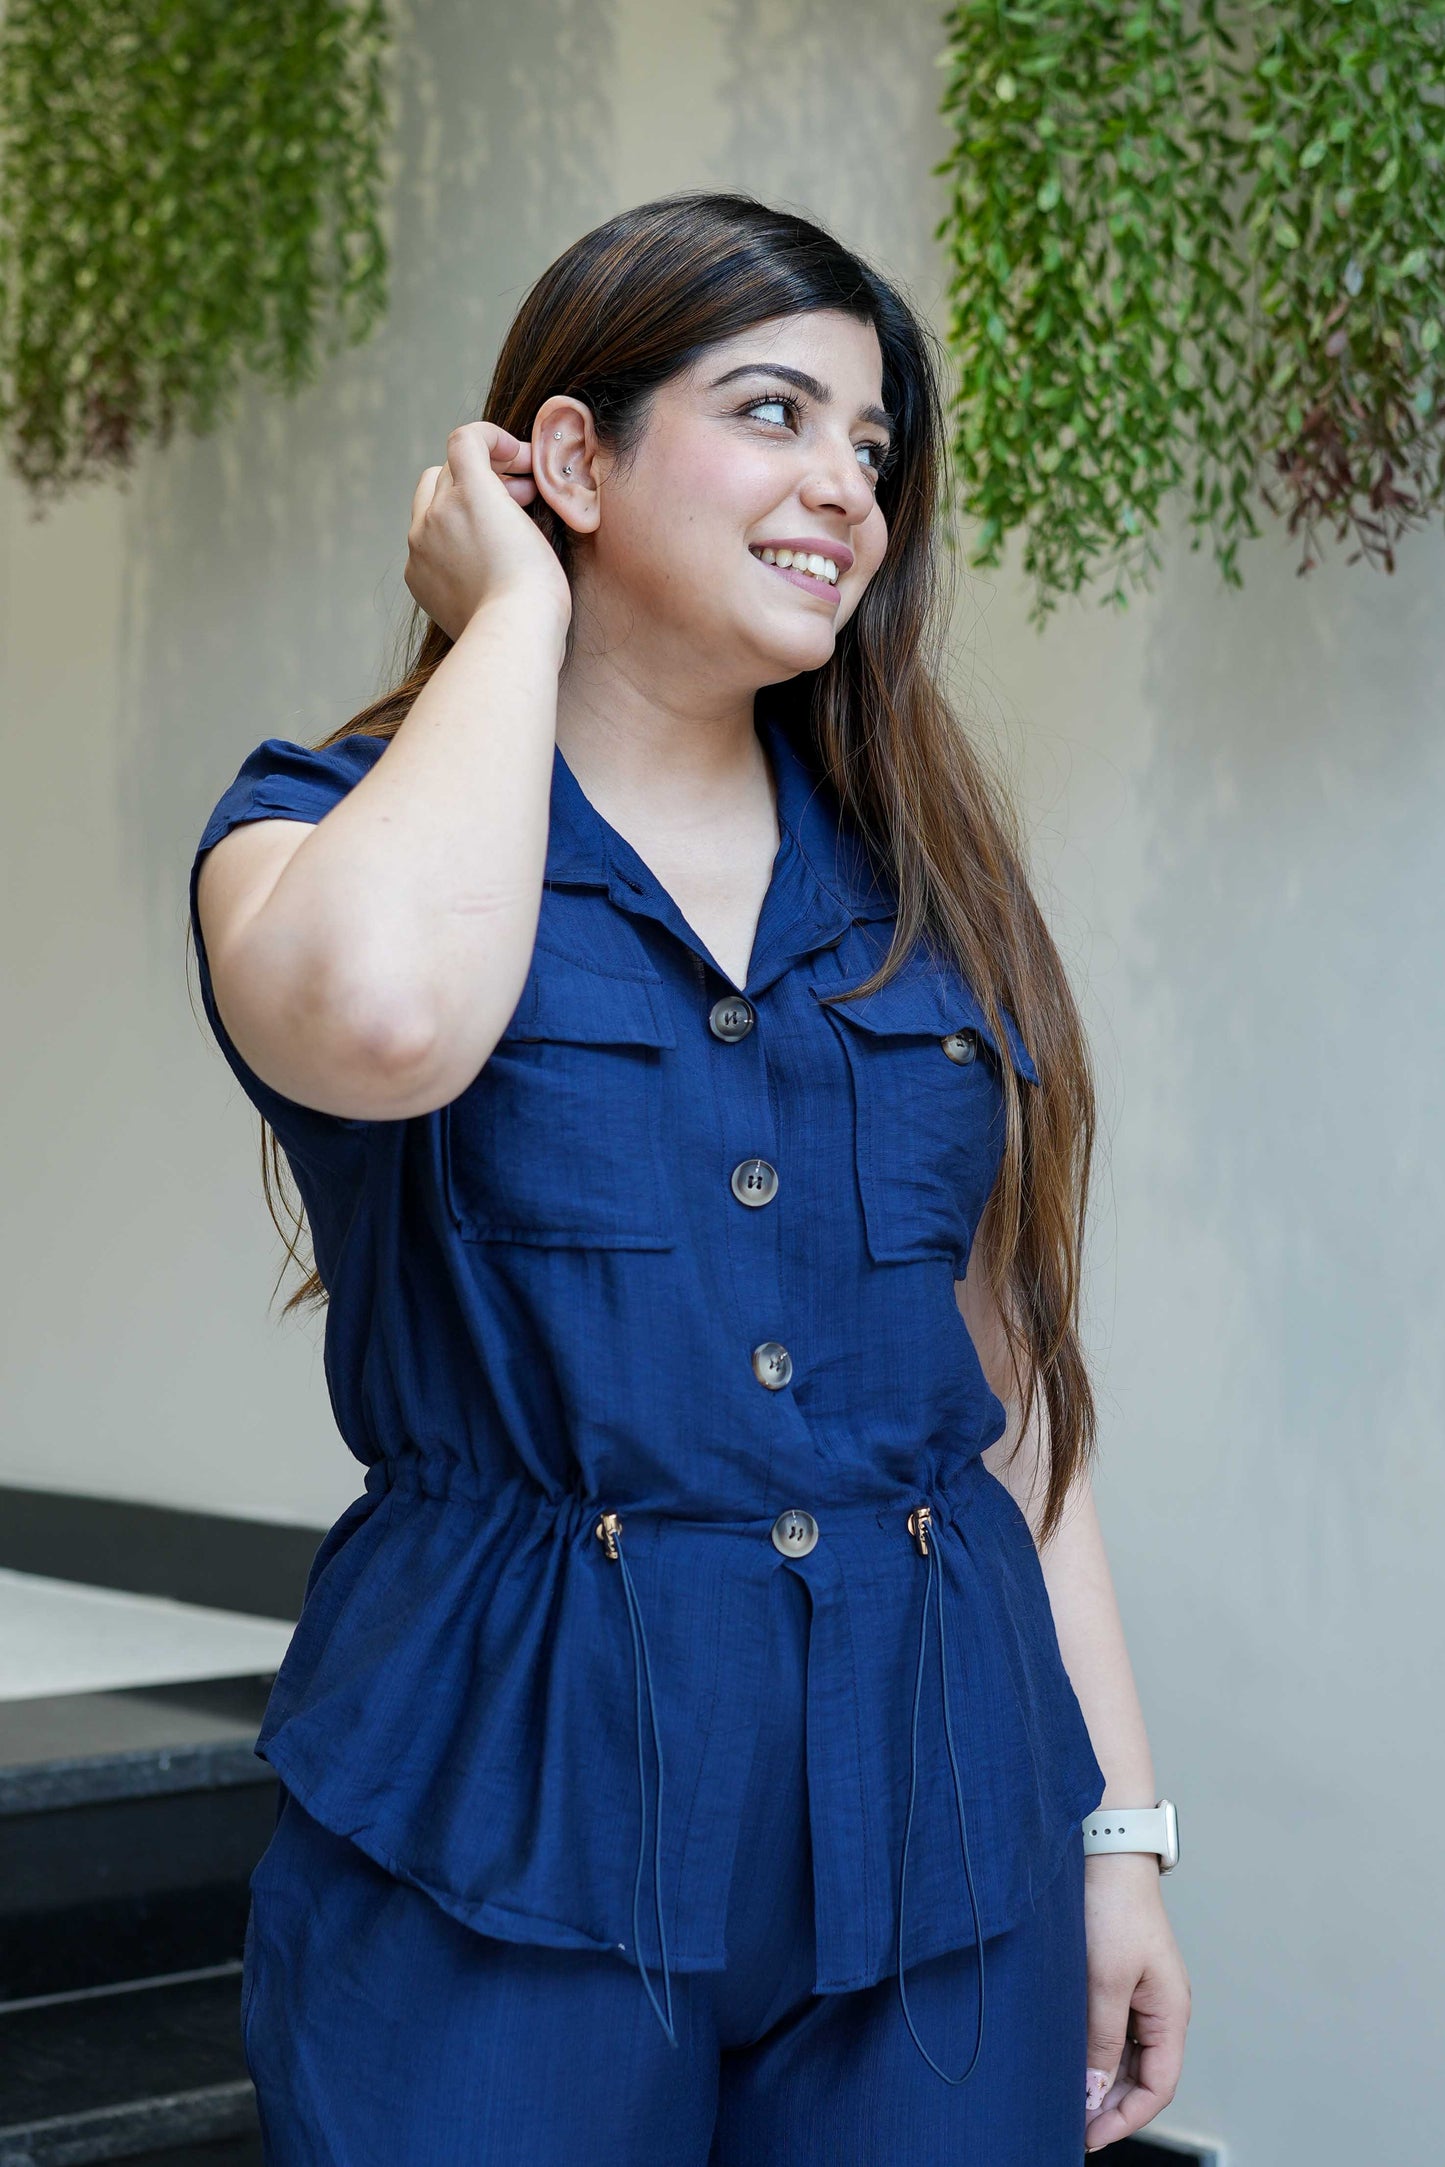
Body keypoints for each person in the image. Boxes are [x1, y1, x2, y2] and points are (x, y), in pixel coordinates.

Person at [188, 190, 1190, 2164]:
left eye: (872, 448)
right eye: (772, 413)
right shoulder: (312, 827)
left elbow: (1006, 1400)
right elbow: (381, 1022)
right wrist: (514, 620)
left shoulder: (924, 891)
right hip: (509, 1803)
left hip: (944, 1809)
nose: (845, 489)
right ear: (570, 459)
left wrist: (1122, 1837)